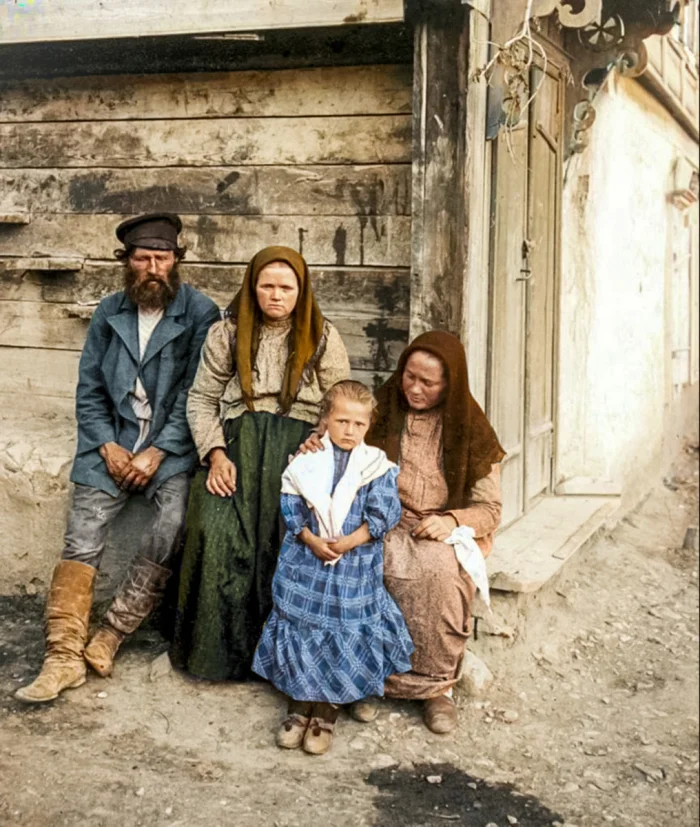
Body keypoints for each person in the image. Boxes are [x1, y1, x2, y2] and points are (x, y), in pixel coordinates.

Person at [16, 213, 220, 704]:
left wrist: (159, 450)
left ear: (176, 260)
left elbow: (196, 395)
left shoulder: (200, 313)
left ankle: (111, 633)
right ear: (126, 262)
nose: (153, 269)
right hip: (110, 445)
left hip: (170, 450)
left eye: (162, 258)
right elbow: (89, 390)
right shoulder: (109, 312)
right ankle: (63, 656)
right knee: (83, 532)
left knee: (173, 520)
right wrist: (106, 444)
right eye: (142, 259)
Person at [298, 331, 505, 734]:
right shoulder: (383, 410)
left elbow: (490, 509)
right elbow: (338, 437)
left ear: (450, 383)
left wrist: (452, 521)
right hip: (381, 516)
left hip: (438, 525)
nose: (415, 388)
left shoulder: (472, 429)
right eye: (410, 376)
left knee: (438, 575)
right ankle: (368, 680)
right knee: (363, 564)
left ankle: (436, 688)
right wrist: (314, 443)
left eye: (429, 382)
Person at [170, 246, 351, 681]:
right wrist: (215, 454)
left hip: (299, 450)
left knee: (286, 532)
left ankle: (283, 662)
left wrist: (319, 438)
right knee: (212, 529)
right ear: (252, 287)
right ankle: (218, 656)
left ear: (301, 291)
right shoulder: (227, 333)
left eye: (286, 287)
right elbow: (202, 398)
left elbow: (340, 400)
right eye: (266, 286)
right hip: (238, 446)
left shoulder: (322, 335)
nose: (276, 295)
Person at [252, 380, 414, 755]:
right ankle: (299, 701)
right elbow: (291, 503)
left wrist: (350, 541)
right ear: (325, 419)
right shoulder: (307, 460)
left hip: (353, 565)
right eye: (341, 421)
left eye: (359, 424)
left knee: (342, 627)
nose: (349, 431)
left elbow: (383, 515)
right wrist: (309, 538)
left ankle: (327, 707)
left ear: (368, 425)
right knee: (304, 624)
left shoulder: (376, 465)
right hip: (306, 561)